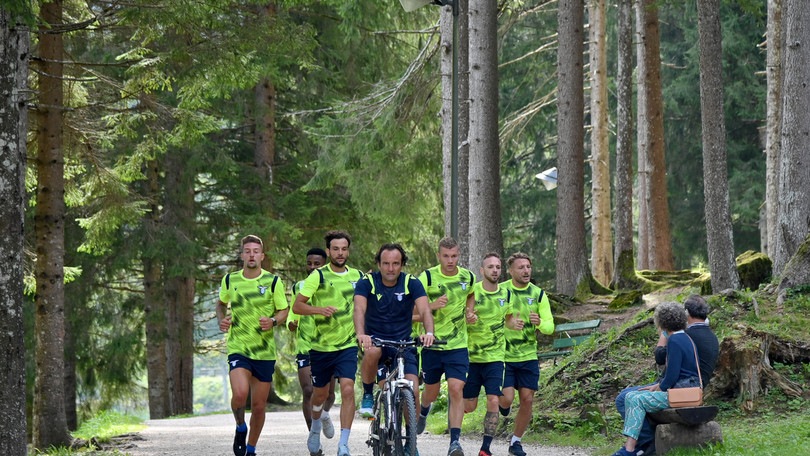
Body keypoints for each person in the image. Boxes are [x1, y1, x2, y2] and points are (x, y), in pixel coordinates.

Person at [354, 243, 436, 456]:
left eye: (395, 264)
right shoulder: (367, 282)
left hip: (403, 344)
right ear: (378, 264)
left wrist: (429, 332)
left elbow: (425, 310)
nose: (390, 269)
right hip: (377, 342)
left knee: (414, 390)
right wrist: (362, 334)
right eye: (386, 263)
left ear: (402, 265)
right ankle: (368, 394)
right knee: (373, 352)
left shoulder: (411, 282)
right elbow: (359, 309)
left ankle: (411, 442)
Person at [614, 294, 720, 455]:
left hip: (680, 390)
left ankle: (643, 446)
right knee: (631, 396)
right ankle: (636, 447)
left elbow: (664, 364)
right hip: (688, 387)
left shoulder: (680, 338)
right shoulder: (708, 336)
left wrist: (660, 387)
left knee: (628, 398)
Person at [216, 235, 290, 456]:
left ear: (262, 256)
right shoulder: (230, 280)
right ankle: (240, 427)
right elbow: (220, 304)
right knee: (239, 395)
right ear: (242, 255)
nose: (251, 255)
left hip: (264, 352)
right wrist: (222, 319)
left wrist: (274, 321)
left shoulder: (273, 282)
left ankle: (251, 448)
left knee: (259, 406)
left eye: (255, 251)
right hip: (239, 347)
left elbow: (283, 310)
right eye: (247, 251)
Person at [293, 230, 365, 456]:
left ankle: (343, 444)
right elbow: (297, 306)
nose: (340, 253)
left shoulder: (358, 276)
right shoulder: (318, 276)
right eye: (336, 249)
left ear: (348, 250)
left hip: (347, 345)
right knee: (320, 395)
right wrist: (319, 310)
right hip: (321, 346)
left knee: (347, 390)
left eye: (344, 249)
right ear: (328, 251)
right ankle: (316, 426)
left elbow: (365, 306)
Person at [415, 237, 476, 456]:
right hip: (432, 345)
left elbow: (470, 295)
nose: (450, 261)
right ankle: (423, 411)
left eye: (454, 256)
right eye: (446, 256)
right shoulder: (427, 277)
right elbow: (412, 311)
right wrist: (431, 305)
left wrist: (470, 312)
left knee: (455, 389)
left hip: (458, 345)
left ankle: (455, 442)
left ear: (459, 255)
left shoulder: (467, 277)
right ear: (439, 256)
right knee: (430, 393)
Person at [499, 252, 554, 456]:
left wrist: (540, 322)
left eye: (528, 267)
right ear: (511, 270)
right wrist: (507, 323)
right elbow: (490, 318)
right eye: (521, 267)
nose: (526, 271)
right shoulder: (501, 291)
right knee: (506, 399)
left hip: (528, 356)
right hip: (504, 356)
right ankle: (504, 407)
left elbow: (550, 326)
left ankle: (516, 442)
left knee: (528, 399)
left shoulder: (538, 294)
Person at [463, 253, 515, 456]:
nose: (495, 270)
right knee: (470, 405)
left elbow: (509, 319)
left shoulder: (506, 294)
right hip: (472, 357)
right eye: (490, 267)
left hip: (496, 357)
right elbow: (466, 315)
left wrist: (515, 323)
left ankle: (485, 448)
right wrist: (469, 317)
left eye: (498, 267)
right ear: (482, 271)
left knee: (493, 399)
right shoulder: (472, 291)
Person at [287, 247, 337, 456]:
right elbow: (293, 315)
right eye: (309, 263)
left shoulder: (334, 285)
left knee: (329, 394)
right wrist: (291, 323)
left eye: (317, 264)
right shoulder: (300, 286)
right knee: (309, 391)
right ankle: (313, 438)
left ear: (324, 264)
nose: (312, 267)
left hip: (330, 346)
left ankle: (324, 415)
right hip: (306, 347)